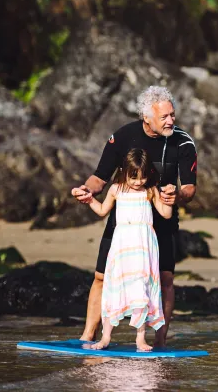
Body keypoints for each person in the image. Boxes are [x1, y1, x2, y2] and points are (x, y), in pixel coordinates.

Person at [71, 86, 197, 347]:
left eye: (172, 114)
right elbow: (100, 177)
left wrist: (177, 195)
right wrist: (85, 190)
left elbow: (189, 187)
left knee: (165, 279)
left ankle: (160, 339)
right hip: (123, 222)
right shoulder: (124, 136)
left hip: (160, 221)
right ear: (146, 116)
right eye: (164, 117)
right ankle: (88, 335)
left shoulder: (182, 142)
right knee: (101, 276)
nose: (171, 120)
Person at [78, 148, 173, 351]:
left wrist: (169, 198)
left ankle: (140, 339)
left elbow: (165, 214)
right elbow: (103, 211)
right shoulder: (116, 190)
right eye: (133, 177)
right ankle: (105, 338)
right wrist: (90, 200)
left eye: (142, 177)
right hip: (122, 246)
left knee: (142, 289)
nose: (138, 182)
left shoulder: (150, 190)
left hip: (144, 247)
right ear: (124, 172)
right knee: (115, 286)